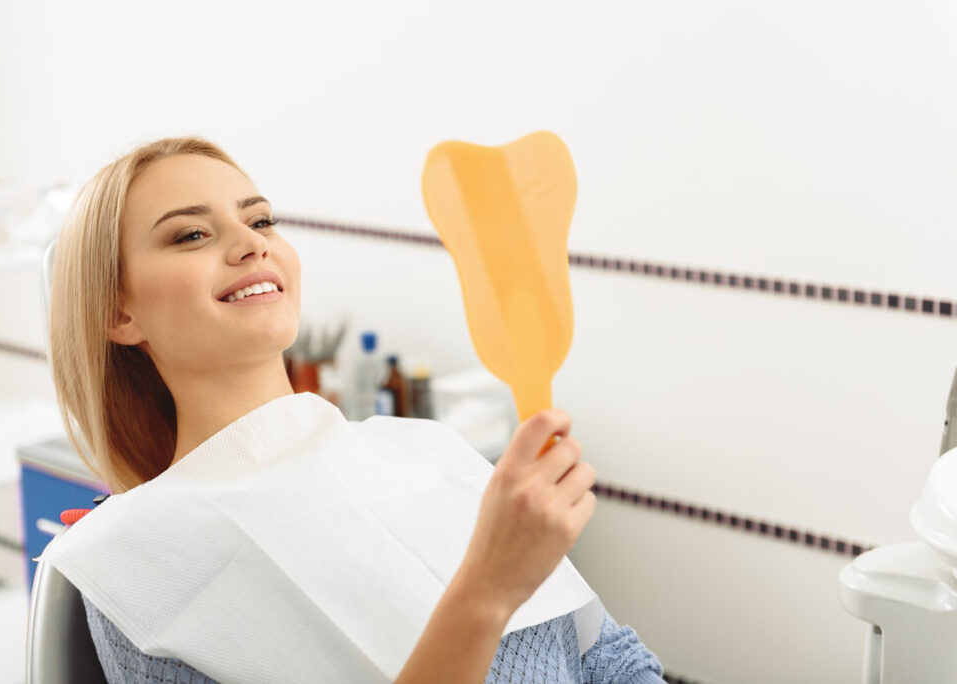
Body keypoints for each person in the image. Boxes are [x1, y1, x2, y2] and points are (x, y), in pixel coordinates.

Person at [48, 135, 664, 683]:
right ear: (118, 313)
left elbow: (605, 662)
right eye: (192, 234)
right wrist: (488, 589)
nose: (250, 245)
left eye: (261, 220)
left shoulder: (430, 452)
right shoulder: (134, 567)